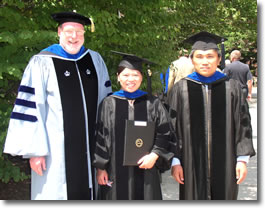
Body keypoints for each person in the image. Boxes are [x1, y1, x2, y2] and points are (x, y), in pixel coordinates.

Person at [3, 11, 112, 200]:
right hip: (55, 152)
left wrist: (108, 146)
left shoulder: (94, 60)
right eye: (69, 31)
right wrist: (35, 152)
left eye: (79, 32)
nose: (74, 37)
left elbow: (106, 105)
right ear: (59, 32)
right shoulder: (42, 62)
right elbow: (30, 108)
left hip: (91, 149)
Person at [167, 31, 256, 200]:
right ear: (192, 60)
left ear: (219, 59)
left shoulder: (232, 87)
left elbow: (243, 123)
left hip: (226, 163)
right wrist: (175, 161)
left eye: (210, 56)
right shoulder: (181, 88)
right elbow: (173, 127)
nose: (205, 61)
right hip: (190, 164)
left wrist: (242, 159)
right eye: (199, 57)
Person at [93, 51, 177, 200]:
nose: (130, 79)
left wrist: (155, 154)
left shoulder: (153, 103)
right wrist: (100, 168)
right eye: (125, 75)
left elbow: (165, 132)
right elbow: (100, 136)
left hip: (147, 172)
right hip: (114, 171)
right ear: (118, 77)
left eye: (135, 75)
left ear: (141, 78)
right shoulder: (109, 103)